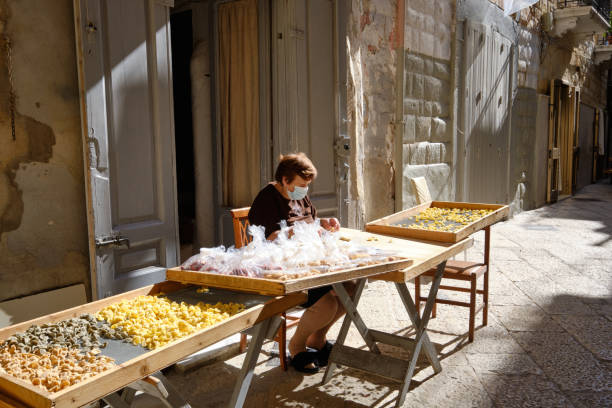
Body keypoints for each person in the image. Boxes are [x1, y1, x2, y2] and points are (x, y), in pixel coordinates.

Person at [248, 153, 354, 373]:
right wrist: (292, 232)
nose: (305, 190)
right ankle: (296, 346)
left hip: (311, 259)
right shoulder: (267, 199)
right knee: (328, 301)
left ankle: (317, 339)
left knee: (351, 289)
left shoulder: (298, 195)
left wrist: (324, 223)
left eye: (307, 185)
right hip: (282, 266)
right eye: (302, 185)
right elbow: (265, 239)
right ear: (285, 180)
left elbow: (310, 220)